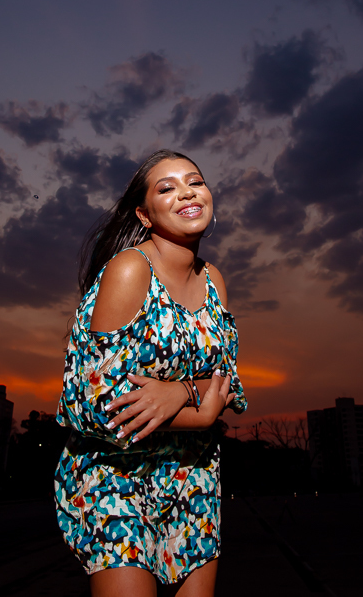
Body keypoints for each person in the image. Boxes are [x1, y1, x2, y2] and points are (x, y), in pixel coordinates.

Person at [54, 149, 247, 597]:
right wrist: (197, 412)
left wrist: (179, 391)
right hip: (114, 474)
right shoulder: (129, 270)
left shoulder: (214, 279)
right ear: (144, 214)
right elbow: (92, 402)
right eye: (167, 187)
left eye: (194, 181)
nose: (186, 192)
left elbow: (230, 385)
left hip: (193, 474)